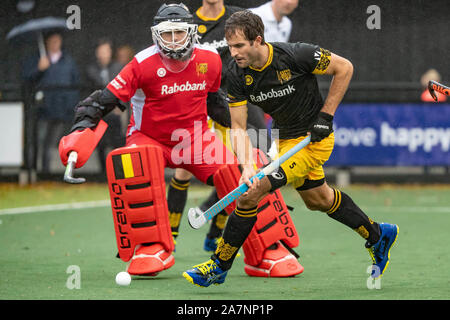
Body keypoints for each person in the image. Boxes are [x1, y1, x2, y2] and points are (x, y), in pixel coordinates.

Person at [183, 10, 399, 287]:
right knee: (318, 200)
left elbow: (344, 68)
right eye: (230, 46)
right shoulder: (237, 74)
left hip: (314, 141)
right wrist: (247, 165)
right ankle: (378, 234)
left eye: (239, 46)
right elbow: (238, 126)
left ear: (257, 40)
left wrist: (326, 116)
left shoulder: (297, 55)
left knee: (251, 195)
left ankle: (218, 265)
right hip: (285, 141)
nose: (233, 52)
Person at [59, 3, 238, 276]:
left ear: (191, 32)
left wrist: (242, 131)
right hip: (148, 139)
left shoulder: (211, 59)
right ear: (156, 35)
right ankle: (149, 246)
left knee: (239, 176)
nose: (174, 40)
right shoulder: (142, 63)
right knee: (136, 165)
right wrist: (80, 129)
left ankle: (268, 246)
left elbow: (215, 101)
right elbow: (101, 102)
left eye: (179, 32)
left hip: (196, 140)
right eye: (167, 34)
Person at [168, 0, 275, 254]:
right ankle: (168, 239)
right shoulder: (188, 24)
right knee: (183, 169)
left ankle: (217, 231)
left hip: (239, 99)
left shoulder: (239, 18)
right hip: (202, 100)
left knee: (243, 167)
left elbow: (257, 54)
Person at [22, 31, 80, 173]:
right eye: (52, 41)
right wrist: (39, 69)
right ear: (47, 43)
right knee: (40, 141)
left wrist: (70, 105)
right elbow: (27, 79)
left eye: (57, 41)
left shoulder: (68, 61)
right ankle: (37, 171)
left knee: (53, 143)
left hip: (61, 109)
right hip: (43, 109)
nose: (55, 44)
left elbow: (74, 85)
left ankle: (49, 172)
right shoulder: (38, 59)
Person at [86, 38, 125, 172]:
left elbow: (124, 90)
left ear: (110, 52)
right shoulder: (91, 70)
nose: (104, 54)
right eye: (101, 51)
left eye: (106, 51)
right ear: (97, 53)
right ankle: (103, 172)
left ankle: (120, 172)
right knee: (100, 143)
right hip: (99, 113)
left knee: (118, 143)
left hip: (115, 113)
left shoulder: (118, 67)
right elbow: (92, 92)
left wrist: (119, 106)